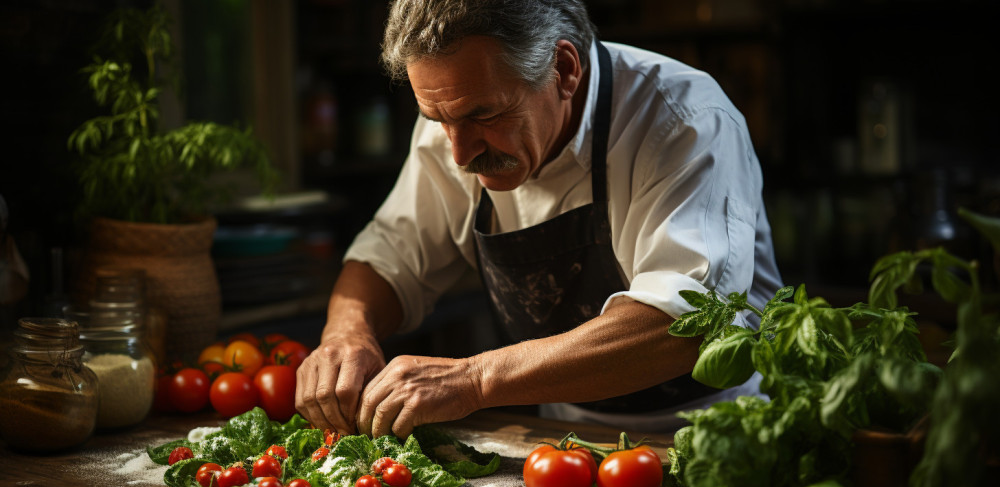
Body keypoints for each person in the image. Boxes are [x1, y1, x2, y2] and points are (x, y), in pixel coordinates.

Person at [296, 0, 783, 437]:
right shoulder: (455, 118)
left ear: (564, 70)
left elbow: (684, 324)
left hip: (716, 435)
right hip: (562, 440)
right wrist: (347, 333)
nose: (460, 154)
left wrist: (474, 380)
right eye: (440, 119)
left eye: (484, 115)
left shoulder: (684, 120)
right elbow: (390, 253)